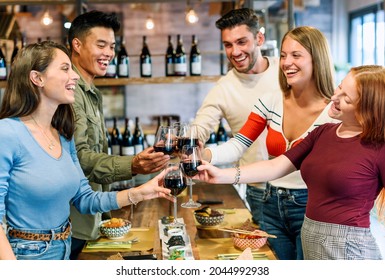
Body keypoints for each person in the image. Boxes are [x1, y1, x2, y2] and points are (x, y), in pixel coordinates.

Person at [0, 41, 173, 260]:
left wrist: (141, 192)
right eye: (65, 69)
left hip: (65, 248)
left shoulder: (63, 135)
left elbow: (85, 199)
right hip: (26, 255)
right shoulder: (7, 133)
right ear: (37, 78)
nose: (74, 76)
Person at [195, 64, 385, 260]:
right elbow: (275, 166)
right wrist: (220, 175)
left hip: (350, 251)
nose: (335, 97)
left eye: (347, 98)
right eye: (340, 87)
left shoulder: (378, 147)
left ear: (368, 109)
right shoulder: (323, 132)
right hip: (311, 239)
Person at [201, 26, 337, 260]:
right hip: (270, 203)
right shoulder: (270, 101)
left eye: (296, 55)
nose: (286, 63)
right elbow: (239, 144)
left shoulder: (334, 111)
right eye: (283, 55)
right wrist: (205, 156)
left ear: (317, 58)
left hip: (312, 208)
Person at [67, 10, 170, 259]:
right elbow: (80, 159)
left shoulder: (91, 91)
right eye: (101, 44)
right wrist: (132, 165)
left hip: (95, 214)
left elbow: (95, 152)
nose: (109, 54)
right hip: (74, 222)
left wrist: (136, 166)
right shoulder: (70, 92)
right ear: (77, 45)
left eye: (112, 46)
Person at [191, 8, 280, 224]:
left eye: (242, 42)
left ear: (259, 38)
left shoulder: (285, 71)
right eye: (228, 45)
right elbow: (200, 127)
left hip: (301, 188)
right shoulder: (224, 88)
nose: (235, 51)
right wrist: (189, 143)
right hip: (260, 191)